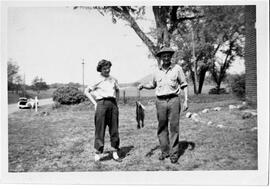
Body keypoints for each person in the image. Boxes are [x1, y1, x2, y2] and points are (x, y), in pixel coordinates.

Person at [138, 47, 189, 164]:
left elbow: (184, 85)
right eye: (163, 56)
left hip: (174, 100)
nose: (166, 58)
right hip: (160, 102)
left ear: (171, 57)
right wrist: (143, 86)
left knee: (174, 127)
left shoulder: (177, 69)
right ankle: (165, 151)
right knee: (162, 127)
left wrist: (186, 100)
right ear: (160, 58)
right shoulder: (156, 72)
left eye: (168, 56)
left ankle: (174, 153)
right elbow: (153, 85)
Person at [85, 59, 121, 162]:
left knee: (114, 129)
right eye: (104, 68)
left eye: (108, 68)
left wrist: (116, 103)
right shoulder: (96, 79)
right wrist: (95, 104)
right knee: (100, 129)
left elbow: (118, 90)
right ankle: (97, 152)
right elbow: (86, 91)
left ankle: (115, 151)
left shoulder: (113, 79)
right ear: (100, 69)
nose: (107, 70)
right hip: (101, 104)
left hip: (113, 104)